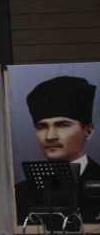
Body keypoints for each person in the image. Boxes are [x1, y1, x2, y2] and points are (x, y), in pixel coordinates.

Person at [15, 76, 99, 222]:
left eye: (62, 125)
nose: (50, 136)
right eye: (42, 127)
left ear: (88, 131)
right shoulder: (21, 192)